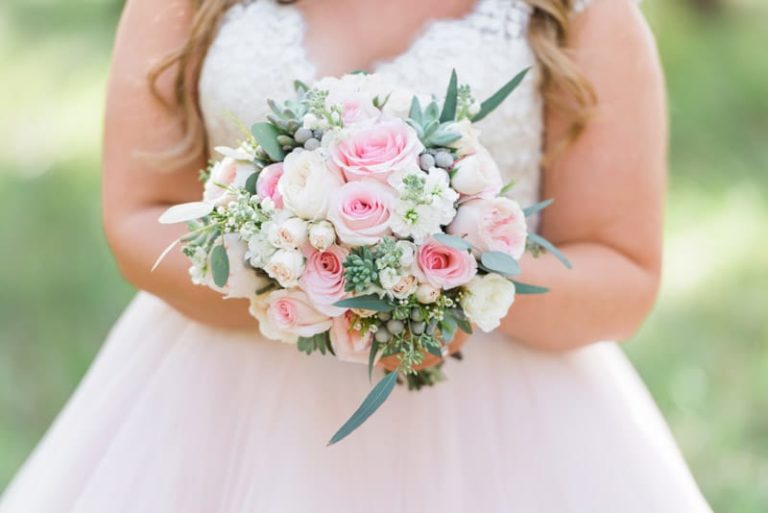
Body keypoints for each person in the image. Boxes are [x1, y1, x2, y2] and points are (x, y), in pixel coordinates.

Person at [0, 0, 713, 511]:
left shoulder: (577, 13)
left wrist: (436, 282)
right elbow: (136, 212)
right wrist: (295, 279)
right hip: (219, 394)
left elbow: (621, 267)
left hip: (500, 417)